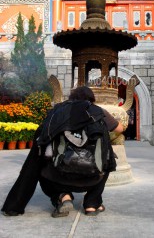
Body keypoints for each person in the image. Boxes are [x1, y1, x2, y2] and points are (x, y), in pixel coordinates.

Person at [1, 86, 124, 218]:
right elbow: (120, 129)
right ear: (91, 99)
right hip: (92, 176)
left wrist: (14, 205)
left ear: (72, 97)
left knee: (39, 161)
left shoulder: (57, 111)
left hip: (58, 176)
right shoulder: (98, 111)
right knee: (108, 157)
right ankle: (92, 204)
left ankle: (63, 197)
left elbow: (39, 142)